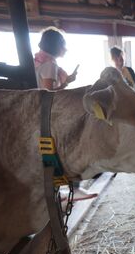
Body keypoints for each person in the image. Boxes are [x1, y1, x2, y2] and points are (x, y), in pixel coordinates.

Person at [34, 27, 97, 202]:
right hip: (49, 115)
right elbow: (48, 93)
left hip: (35, 114)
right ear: (56, 46)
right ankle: (73, 188)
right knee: (68, 145)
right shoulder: (50, 65)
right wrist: (67, 84)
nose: (65, 49)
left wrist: (67, 80)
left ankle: (56, 190)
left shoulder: (37, 60)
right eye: (63, 45)